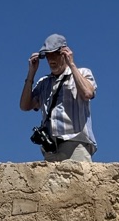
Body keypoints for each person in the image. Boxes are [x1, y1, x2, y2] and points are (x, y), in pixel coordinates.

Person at [20, 34, 97, 163]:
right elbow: (25, 106)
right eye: (48, 55)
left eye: (55, 54)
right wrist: (31, 73)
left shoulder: (82, 73)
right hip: (50, 148)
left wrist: (71, 65)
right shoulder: (44, 82)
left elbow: (87, 93)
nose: (51, 59)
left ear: (64, 53)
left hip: (75, 145)